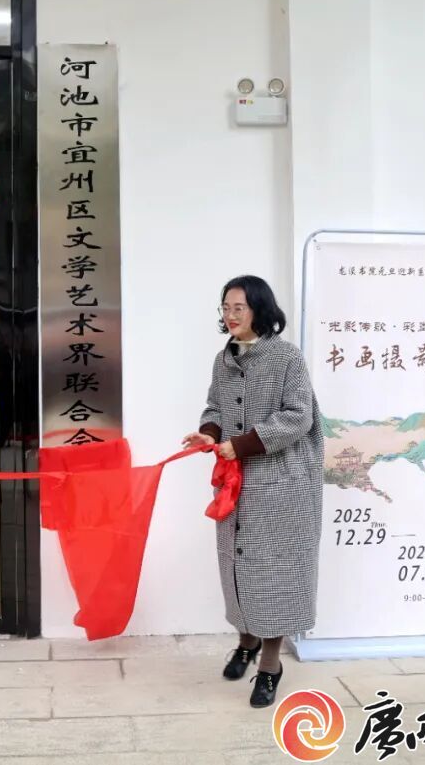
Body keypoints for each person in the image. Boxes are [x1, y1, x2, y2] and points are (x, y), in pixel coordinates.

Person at [182, 275, 324, 708]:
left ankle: (270, 665)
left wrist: (241, 444)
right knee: (237, 567)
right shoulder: (223, 359)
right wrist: (209, 434)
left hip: (282, 484)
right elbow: (215, 406)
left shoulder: (287, 357)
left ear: (259, 309)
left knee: (274, 575)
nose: (230, 315)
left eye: (238, 308)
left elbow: (298, 416)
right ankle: (246, 642)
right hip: (236, 484)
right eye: (225, 308)